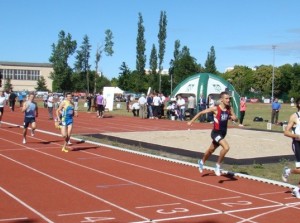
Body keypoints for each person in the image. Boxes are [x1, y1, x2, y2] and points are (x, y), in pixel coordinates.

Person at [187, 91, 238, 176]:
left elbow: (235, 118)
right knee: (226, 147)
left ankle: (201, 161)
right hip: (215, 133)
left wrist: (233, 118)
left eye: (229, 98)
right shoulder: (215, 108)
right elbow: (201, 113)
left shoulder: (229, 108)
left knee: (211, 150)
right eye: (226, 98)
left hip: (223, 133)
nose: (228, 100)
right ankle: (217, 165)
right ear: (221, 99)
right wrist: (191, 121)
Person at [282, 97, 300, 198]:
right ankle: (287, 171)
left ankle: (297, 189)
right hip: (297, 144)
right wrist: (297, 136)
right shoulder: (295, 116)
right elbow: (286, 132)